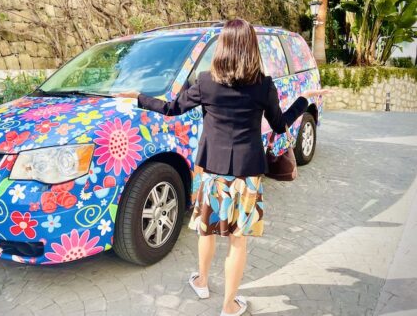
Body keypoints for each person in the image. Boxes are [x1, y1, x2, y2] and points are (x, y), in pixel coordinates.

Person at [116, 19, 330, 316]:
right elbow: (280, 126)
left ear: (223, 47)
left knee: (207, 231)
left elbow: (171, 109)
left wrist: (138, 97)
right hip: (247, 174)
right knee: (237, 240)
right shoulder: (263, 86)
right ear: (251, 48)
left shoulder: (205, 81)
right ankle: (229, 306)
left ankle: (202, 282)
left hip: (212, 173)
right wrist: (305, 99)